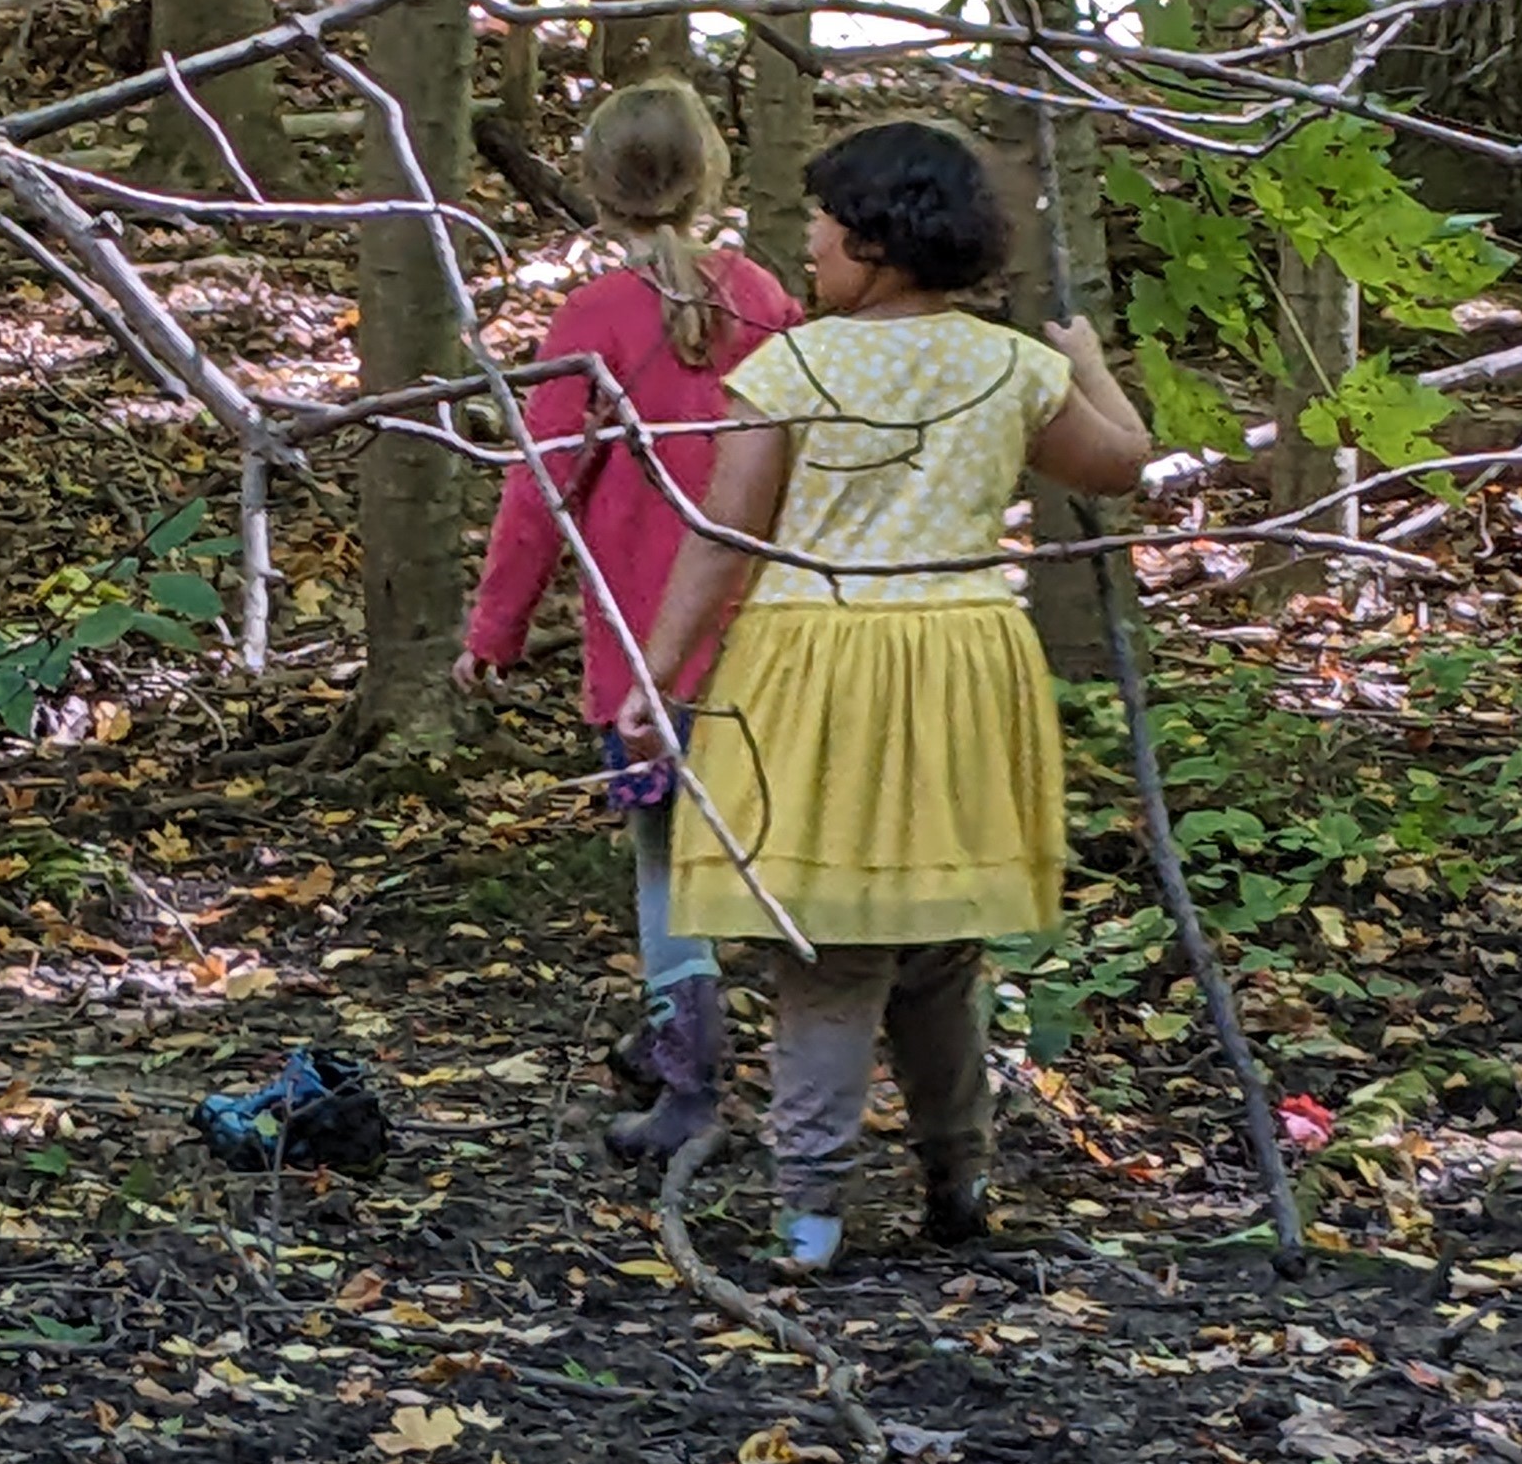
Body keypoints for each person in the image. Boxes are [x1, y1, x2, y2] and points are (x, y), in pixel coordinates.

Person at [635, 118, 1151, 1273]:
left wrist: (655, 672)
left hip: (813, 670)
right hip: (962, 664)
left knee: (822, 954)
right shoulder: (1014, 366)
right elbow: (1121, 464)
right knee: (937, 951)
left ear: (873, 240)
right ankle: (957, 1180)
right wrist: (1092, 361)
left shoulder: (789, 369)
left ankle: (808, 1213)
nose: (807, 244)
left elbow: (724, 541)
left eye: (821, 224)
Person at [455, 80, 802, 1163]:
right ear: (711, 175)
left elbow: (540, 491)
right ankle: (804, 1089)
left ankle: (689, 1083)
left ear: (597, 189)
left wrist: (493, 631)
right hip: (762, 640)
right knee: (767, 858)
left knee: (664, 860)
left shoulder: (592, 320)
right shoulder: (763, 301)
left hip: (642, 652)